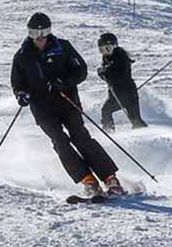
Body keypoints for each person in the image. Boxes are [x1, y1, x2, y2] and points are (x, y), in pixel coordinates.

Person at [11, 12, 125, 198]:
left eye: (44, 32)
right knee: (60, 143)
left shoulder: (62, 47)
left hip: (67, 101)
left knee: (81, 138)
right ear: (29, 33)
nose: (40, 38)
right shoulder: (22, 56)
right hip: (42, 109)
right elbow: (17, 82)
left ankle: (110, 179)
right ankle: (88, 180)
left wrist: (64, 82)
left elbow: (81, 70)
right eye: (34, 33)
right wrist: (22, 95)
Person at [97, 32, 147, 131]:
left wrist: (105, 73)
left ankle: (146, 135)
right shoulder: (106, 57)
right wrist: (103, 73)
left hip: (127, 93)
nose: (104, 52)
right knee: (106, 110)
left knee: (135, 119)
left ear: (114, 46)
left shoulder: (121, 57)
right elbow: (106, 74)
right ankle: (109, 130)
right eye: (102, 50)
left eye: (107, 48)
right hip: (115, 93)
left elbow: (118, 77)